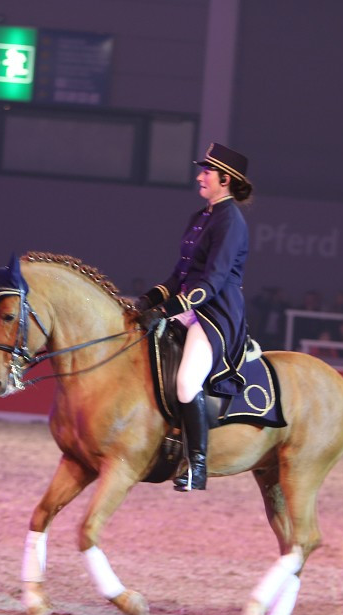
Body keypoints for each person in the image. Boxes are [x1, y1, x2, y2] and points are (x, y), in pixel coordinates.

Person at [133, 142, 253, 492]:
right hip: (190, 306)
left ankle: (197, 465)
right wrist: (148, 300)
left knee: (187, 381)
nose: (200, 176)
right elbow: (179, 275)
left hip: (215, 315)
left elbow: (213, 280)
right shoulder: (200, 217)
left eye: (207, 171)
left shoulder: (231, 221)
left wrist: (169, 310)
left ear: (225, 179)